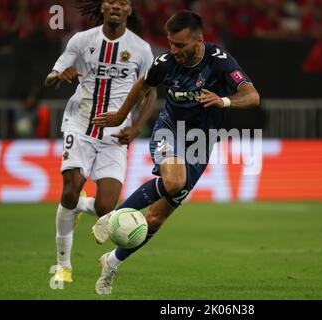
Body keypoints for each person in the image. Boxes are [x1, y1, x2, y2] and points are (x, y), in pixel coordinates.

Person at [90, 10, 260, 295]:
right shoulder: (166, 63)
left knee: (155, 219)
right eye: (170, 43)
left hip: (201, 142)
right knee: (174, 181)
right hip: (170, 130)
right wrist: (121, 116)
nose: (173, 50)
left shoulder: (220, 62)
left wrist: (224, 100)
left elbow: (252, 96)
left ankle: (112, 262)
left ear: (199, 41)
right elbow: (143, 84)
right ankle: (113, 216)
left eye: (180, 45)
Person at [44, 0, 156, 283]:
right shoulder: (81, 40)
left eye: (122, 3)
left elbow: (150, 93)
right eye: (111, 2)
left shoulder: (141, 49)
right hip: (79, 125)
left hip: (115, 135)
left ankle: (81, 205)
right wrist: (59, 76)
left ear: (129, 9)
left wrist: (136, 128)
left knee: (107, 208)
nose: (116, 7)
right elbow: (50, 78)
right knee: (70, 189)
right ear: (103, 7)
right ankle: (63, 266)